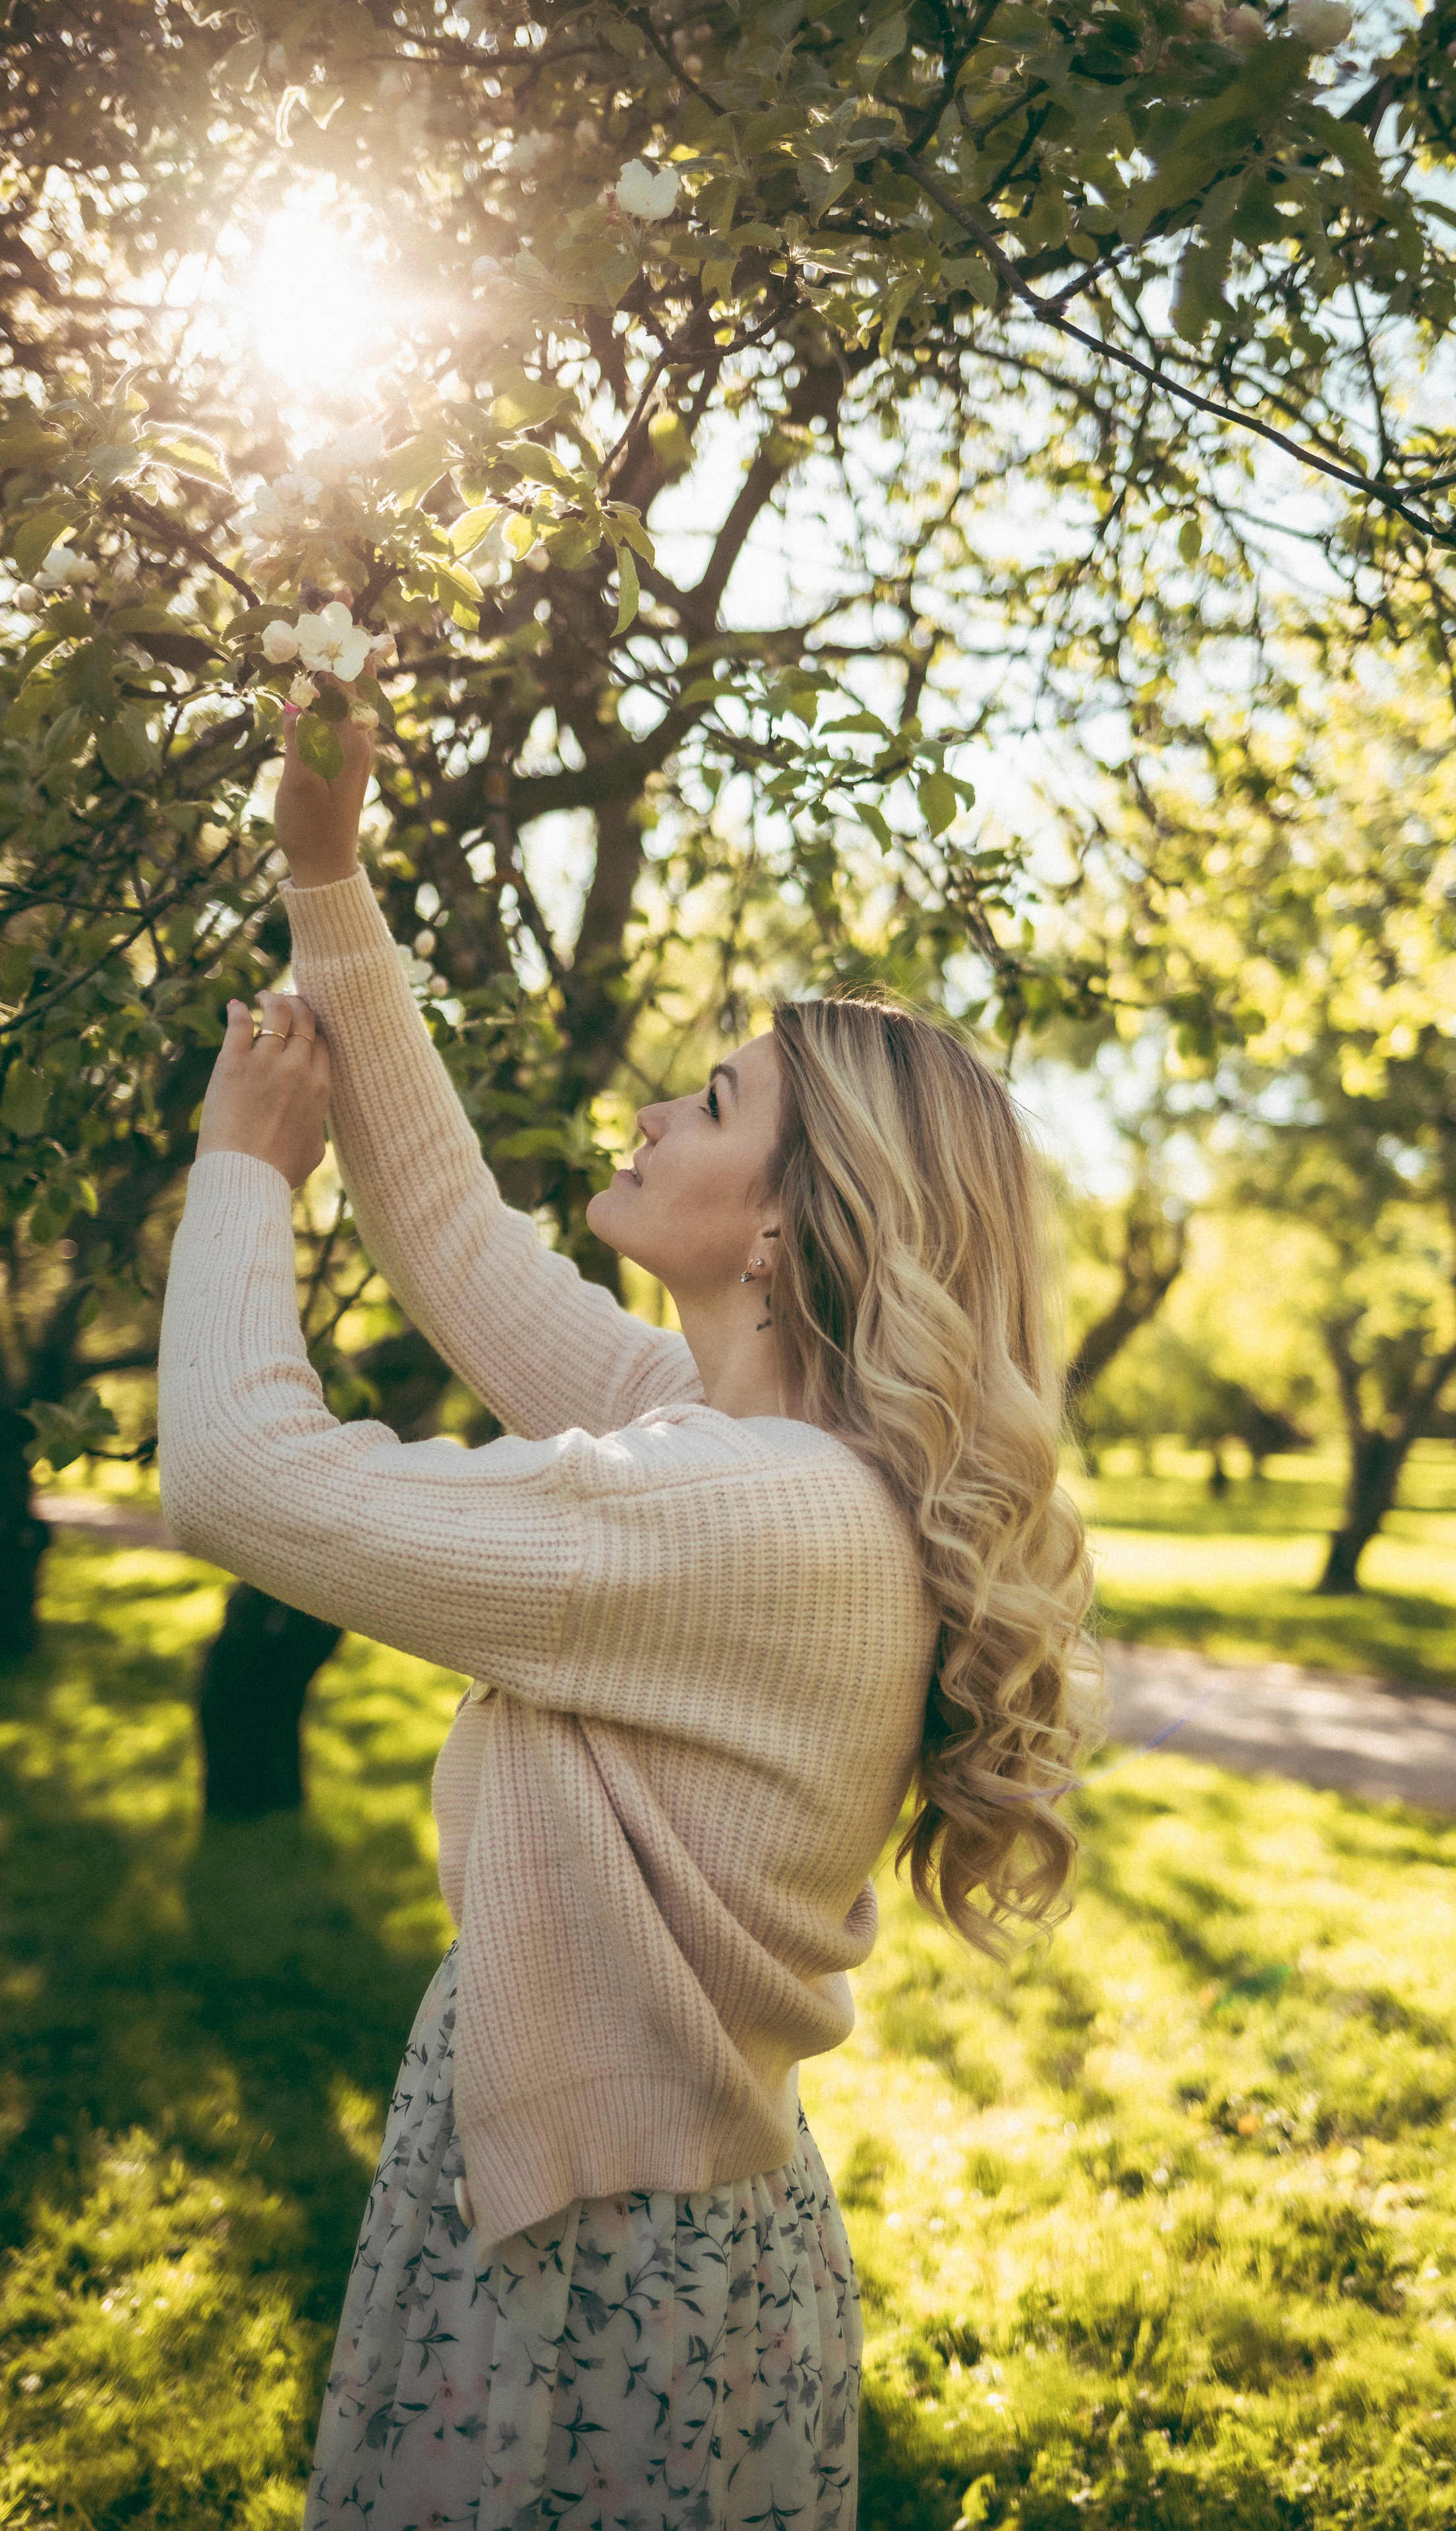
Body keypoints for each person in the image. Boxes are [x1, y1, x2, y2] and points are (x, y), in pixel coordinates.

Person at [158, 711, 1097, 2530]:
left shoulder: (738, 1516)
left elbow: (237, 1479)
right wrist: (325, 871)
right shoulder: (762, 1456)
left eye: (718, 1104)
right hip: (634, 2208)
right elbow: (455, 1240)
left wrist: (246, 1166)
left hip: (592, 2262)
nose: (659, 1109)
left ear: (792, 1228)